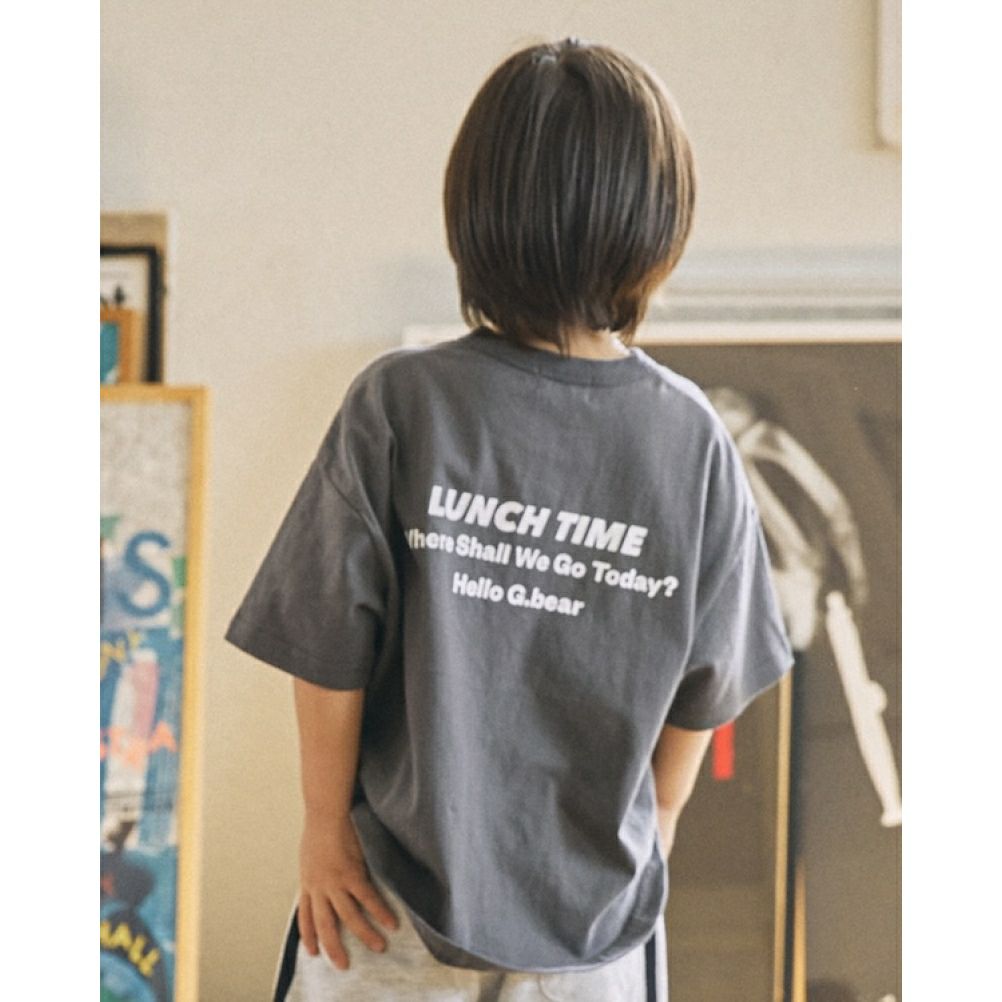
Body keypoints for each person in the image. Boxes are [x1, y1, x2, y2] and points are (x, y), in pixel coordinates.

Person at [224, 35, 794, 1002]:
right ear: (658, 221)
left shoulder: (401, 402)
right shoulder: (691, 437)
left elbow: (327, 646)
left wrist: (322, 828)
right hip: (593, 940)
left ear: (474, 207)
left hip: (379, 905)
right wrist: (656, 826)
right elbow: (711, 686)